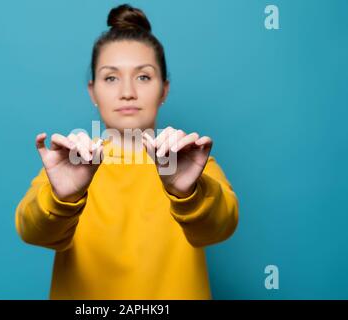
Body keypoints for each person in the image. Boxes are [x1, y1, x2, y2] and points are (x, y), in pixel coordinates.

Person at [15, 3, 239, 300]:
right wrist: (64, 199)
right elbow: (32, 231)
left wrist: (188, 194)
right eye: (111, 77)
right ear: (92, 91)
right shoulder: (68, 166)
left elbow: (218, 229)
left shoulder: (193, 165)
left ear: (164, 90)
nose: (127, 91)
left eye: (143, 77)